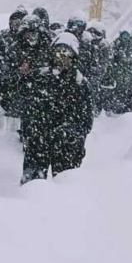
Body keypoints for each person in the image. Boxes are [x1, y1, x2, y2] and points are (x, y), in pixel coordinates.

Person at [20, 33, 94, 183]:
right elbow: (27, 107)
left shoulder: (80, 84)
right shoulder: (39, 77)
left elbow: (86, 120)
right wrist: (31, 131)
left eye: (66, 54)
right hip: (38, 143)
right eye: (57, 53)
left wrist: (70, 135)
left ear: (74, 57)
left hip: (68, 147)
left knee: (66, 189)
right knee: (32, 188)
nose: (61, 58)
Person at [1, 14, 52, 121]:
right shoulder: (14, 49)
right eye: (28, 34)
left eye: (34, 34)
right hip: (18, 98)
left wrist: (34, 71)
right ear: (23, 34)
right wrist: (17, 72)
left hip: (41, 97)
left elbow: (52, 73)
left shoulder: (47, 50)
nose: (31, 38)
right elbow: (4, 75)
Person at [102, 29, 132, 115]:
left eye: (127, 36)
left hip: (129, 82)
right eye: (123, 36)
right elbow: (108, 63)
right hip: (117, 80)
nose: (124, 38)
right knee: (114, 100)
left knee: (128, 102)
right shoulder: (115, 46)